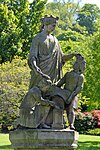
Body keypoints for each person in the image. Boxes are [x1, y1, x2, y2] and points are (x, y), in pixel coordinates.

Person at [28, 15, 78, 88]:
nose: (54, 28)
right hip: (40, 73)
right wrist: (35, 67)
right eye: (53, 25)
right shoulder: (37, 38)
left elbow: (62, 58)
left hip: (53, 74)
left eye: (55, 26)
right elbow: (33, 56)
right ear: (46, 24)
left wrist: (73, 55)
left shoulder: (55, 40)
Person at [57, 54, 86, 130]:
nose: (75, 64)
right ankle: (60, 122)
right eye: (75, 63)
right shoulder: (68, 74)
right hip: (64, 93)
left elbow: (79, 88)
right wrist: (54, 85)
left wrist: (71, 96)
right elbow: (61, 82)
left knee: (71, 109)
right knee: (60, 106)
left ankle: (71, 124)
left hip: (73, 95)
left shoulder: (80, 76)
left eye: (77, 63)